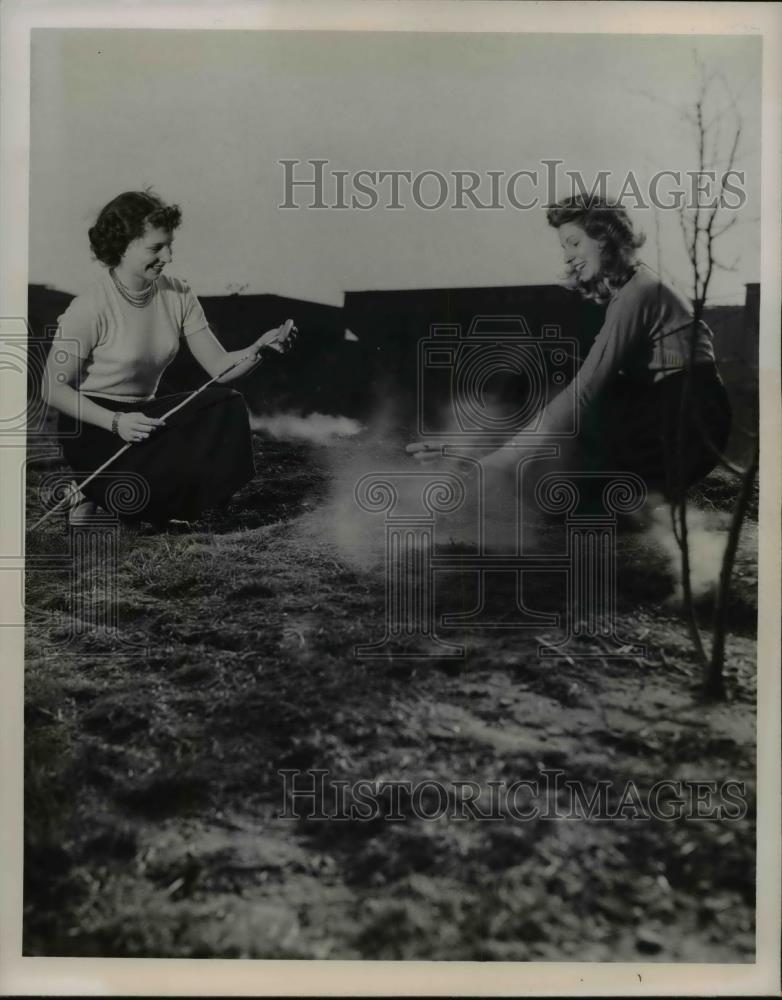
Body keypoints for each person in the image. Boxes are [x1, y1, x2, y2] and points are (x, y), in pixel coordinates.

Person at [409, 195, 732, 506]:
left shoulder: (640, 293)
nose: (567, 257)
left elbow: (585, 391)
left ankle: (490, 466)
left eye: (574, 244)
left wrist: (496, 460)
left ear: (605, 239)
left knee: (545, 480)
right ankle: (477, 458)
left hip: (689, 423)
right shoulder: (631, 290)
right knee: (549, 373)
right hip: (668, 412)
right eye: (564, 246)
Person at [41, 189, 296, 528]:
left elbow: (220, 369)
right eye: (156, 247)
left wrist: (258, 348)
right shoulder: (88, 307)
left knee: (226, 404)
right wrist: (117, 422)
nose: (169, 256)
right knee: (146, 479)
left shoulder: (178, 294)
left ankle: (113, 496)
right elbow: (51, 390)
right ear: (123, 245)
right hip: (96, 427)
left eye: (170, 245)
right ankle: (92, 488)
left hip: (144, 420)